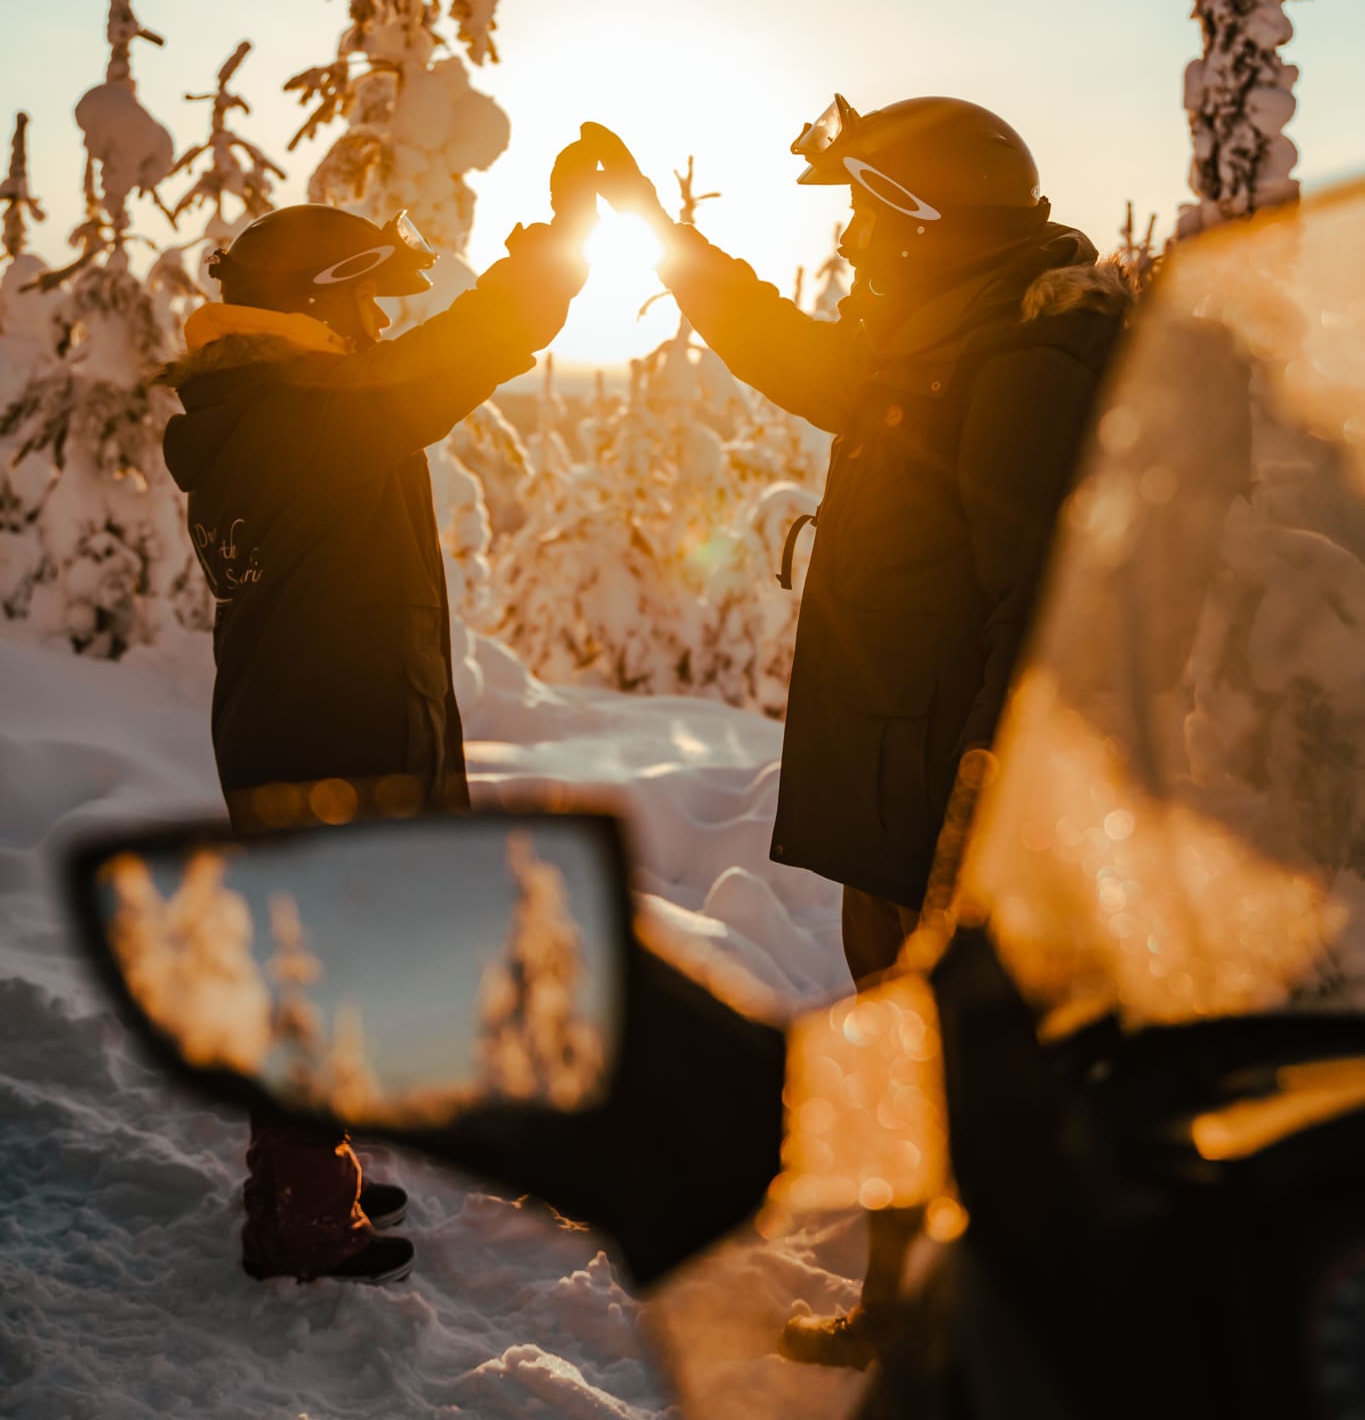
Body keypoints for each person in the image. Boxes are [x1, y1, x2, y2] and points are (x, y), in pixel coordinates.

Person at [587, 98, 1129, 1366]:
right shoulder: (948, 331)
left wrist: (981, 808)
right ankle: (926, 1310)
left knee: (948, 1054)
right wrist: (657, 232)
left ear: (921, 221)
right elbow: (794, 352)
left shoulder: (1017, 362)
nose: (855, 239)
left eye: (867, 213)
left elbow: (1039, 599)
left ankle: (963, 1323)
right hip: (898, 762)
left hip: (944, 782)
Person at [157, 144, 599, 1286]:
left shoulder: (269, 407)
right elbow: (461, 351)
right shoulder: (302, 416)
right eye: (361, 299)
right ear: (319, 307)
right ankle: (302, 1211)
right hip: (332, 731)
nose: (374, 322)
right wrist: (561, 240)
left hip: (308, 720)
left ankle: (306, 1171)